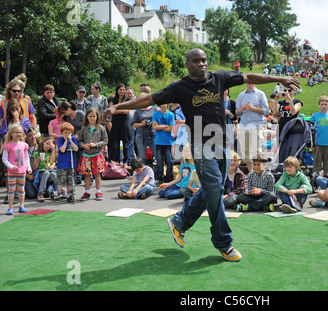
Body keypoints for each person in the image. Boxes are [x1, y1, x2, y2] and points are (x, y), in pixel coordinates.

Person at [103, 47, 300, 262]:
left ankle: (180, 222)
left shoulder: (220, 77)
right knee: (214, 189)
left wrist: (279, 77)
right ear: (188, 64)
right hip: (201, 145)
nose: (202, 64)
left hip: (222, 143)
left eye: (204, 60)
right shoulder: (180, 87)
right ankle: (224, 242)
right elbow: (148, 100)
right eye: (196, 61)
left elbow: (248, 76)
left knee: (210, 189)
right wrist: (118, 107)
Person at [236, 83, 269, 172]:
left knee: (256, 151)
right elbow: (237, 113)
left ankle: (258, 173)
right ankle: (251, 173)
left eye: (251, 81)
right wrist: (241, 109)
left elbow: (266, 111)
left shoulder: (260, 94)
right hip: (244, 126)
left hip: (257, 125)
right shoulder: (241, 95)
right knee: (245, 152)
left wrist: (253, 108)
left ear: (254, 82)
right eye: (248, 82)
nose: (249, 84)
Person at [77, 107, 108, 201]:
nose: (92, 118)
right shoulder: (83, 128)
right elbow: (80, 140)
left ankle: (98, 191)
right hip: (86, 155)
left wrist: (96, 144)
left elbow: (105, 140)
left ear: (97, 117)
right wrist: (83, 145)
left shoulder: (101, 128)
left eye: (94, 116)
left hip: (97, 154)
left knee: (97, 174)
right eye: (90, 116)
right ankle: (87, 192)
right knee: (87, 174)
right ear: (86, 117)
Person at [2, 124, 32, 215]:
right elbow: (4, 159)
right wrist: (11, 166)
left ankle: (21, 206)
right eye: (16, 132)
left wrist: (28, 168)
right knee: (11, 190)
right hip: (12, 172)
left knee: (21, 189)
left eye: (20, 132)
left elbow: (27, 158)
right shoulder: (7, 145)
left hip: (22, 171)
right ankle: (10, 208)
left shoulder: (24, 145)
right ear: (11, 133)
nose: (19, 134)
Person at [310, 96, 328, 178]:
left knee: (327, 161)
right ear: (319, 105)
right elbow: (312, 131)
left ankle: (326, 175)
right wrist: (312, 144)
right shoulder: (315, 116)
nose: (324, 106)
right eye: (322, 104)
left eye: (325, 104)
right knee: (317, 160)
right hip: (318, 142)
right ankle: (316, 177)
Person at [132, 87, 159, 166]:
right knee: (142, 157)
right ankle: (142, 173)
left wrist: (153, 123)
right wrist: (142, 124)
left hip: (153, 134)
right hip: (141, 135)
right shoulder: (138, 111)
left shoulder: (154, 109)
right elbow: (134, 124)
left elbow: (159, 121)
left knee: (158, 155)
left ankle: (160, 173)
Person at [55, 122, 78, 203]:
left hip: (71, 164)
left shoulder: (73, 139)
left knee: (70, 179)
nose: (67, 134)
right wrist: (65, 141)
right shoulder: (60, 140)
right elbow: (62, 149)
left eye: (69, 133)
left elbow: (76, 149)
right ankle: (59, 193)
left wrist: (71, 140)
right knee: (61, 179)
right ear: (62, 133)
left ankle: (69, 193)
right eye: (65, 133)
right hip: (62, 164)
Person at [107, 84, 131, 163]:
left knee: (126, 145)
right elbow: (111, 111)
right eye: (120, 89)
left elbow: (127, 112)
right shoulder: (113, 99)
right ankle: (116, 161)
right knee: (115, 145)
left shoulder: (127, 99)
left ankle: (125, 162)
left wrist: (116, 110)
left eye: (123, 89)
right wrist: (120, 110)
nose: (122, 91)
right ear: (117, 90)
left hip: (124, 124)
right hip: (115, 124)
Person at [152, 103, 175, 184]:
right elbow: (154, 127)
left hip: (168, 141)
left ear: (167, 104)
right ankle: (159, 178)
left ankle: (169, 178)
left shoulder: (171, 114)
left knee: (169, 162)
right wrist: (166, 126)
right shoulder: (155, 114)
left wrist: (160, 126)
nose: (163, 105)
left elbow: (171, 129)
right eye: (161, 103)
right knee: (159, 161)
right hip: (159, 141)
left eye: (165, 103)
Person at [33, 137, 57, 202]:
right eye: (47, 143)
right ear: (43, 143)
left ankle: (59, 191)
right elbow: (34, 168)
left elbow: (51, 162)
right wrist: (37, 161)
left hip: (50, 173)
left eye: (50, 145)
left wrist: (53, 150)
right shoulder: (37, 153)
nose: (47, 146)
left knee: (53, 173)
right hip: (41, 173)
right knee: (46, 172)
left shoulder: (50, 153)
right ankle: (40, 193)